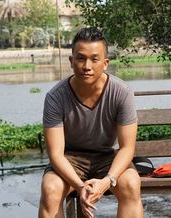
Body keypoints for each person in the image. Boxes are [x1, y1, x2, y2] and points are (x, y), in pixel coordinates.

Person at [38, 27, 143, 218]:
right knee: (50, 190)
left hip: (106, 158)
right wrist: (80, 186)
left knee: (131, 184)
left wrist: (107, 181)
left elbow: (127, 148)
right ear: (71, 61)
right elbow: (55, 154)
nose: (87, 66)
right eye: (80, 58)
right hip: (69, 160)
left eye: (94, 59)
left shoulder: (121, 92)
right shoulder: (55, 97)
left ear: (105, 63)